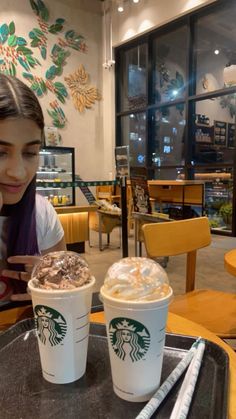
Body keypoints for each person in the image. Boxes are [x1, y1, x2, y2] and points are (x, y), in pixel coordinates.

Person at [0, 74, 66, 304]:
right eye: (0, 152)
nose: (18, 172)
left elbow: (64, 295)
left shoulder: (42, 214)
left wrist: (54, 286)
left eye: (30, 153)